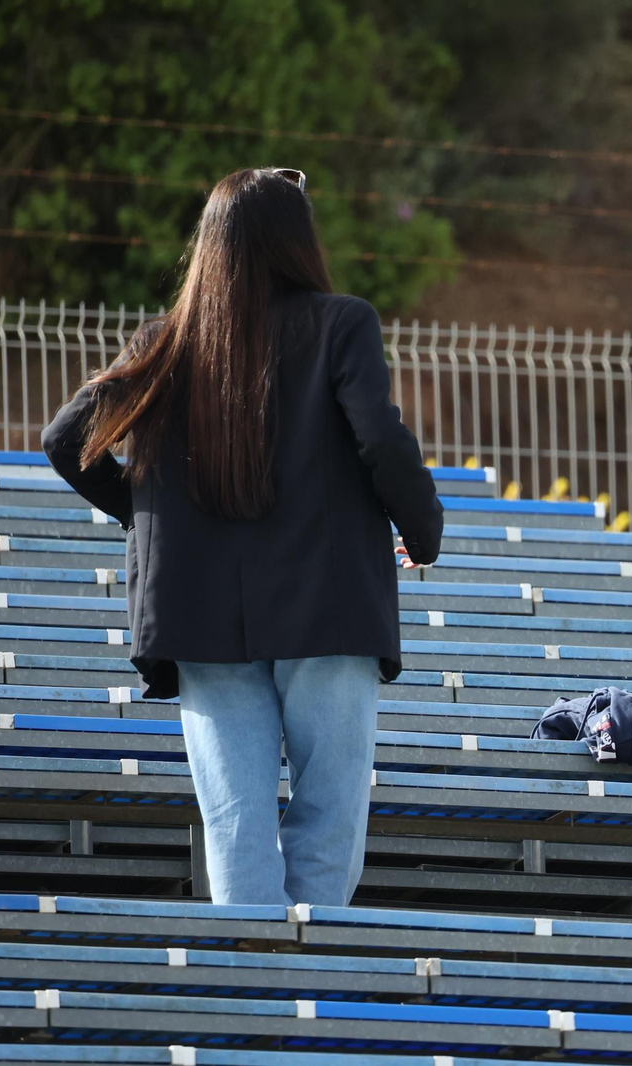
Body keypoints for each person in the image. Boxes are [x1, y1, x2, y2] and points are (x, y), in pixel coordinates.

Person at [42, 167, 443, 907]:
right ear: (297, 240)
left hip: (200, 615)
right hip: (328, 606)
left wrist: (142, 511)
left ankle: (255, 990)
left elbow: (65, 439)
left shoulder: (168, 341)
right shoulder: (341, 320)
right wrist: (422, 531)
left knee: (235, 821)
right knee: (329, 811)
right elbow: (380, 440)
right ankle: (310, 989)